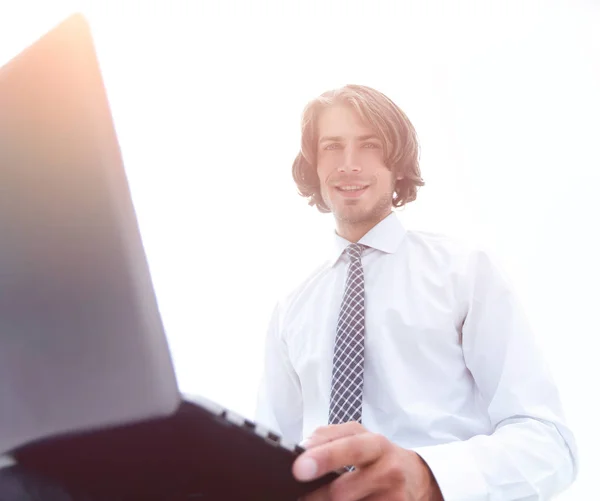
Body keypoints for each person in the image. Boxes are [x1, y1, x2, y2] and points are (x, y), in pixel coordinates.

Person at [254, 84, 578, 500]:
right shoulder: (290, 310)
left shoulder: (464, 271)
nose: (349, 164)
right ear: (314, 165)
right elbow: (270, 454)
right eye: (332, 146)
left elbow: (549, 445)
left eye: (369, 145)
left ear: (399, 164)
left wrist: (427, 477)